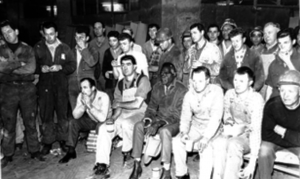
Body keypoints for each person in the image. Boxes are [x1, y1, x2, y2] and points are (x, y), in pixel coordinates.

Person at [93, 55, 151, 177]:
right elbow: (118, 106)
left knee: (127, 124)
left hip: (140, 113)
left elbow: (137, 104)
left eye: (128, 64)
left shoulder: (142, 80)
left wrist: (119, 103)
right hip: (124, 113)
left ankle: (128, 153)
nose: (125, 67)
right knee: (104, 127)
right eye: (123, 65)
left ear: (135, 66)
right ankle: (102, 163)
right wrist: (112, 118)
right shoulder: (120, 84)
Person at [129, 62, 188, 179]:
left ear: (174, 74)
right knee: (138, 126)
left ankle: (166, 171)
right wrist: (147, 120)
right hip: (158, 119)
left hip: (175, 122)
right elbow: (151, 107)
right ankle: (137, 164)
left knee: (164, 131)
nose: (163, 76)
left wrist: (159, 123)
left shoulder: (182, 89)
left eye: (166, 74)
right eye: (162, 74)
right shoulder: (157, 87)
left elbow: (179, 115)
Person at [0, 20, 44, 168]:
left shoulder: (27, 49)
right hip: (8, 90)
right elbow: (0, 68)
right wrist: (19, 64)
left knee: (30, 121)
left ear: (16, 31)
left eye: (9, 31)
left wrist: (8, 67)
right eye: (4, 33)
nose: (7, 35)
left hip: (27, 89)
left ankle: (34, 150)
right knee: (8, 123)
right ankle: (8, 154)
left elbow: (31, 69)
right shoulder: (1, 49)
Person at [172, 66, 224, 179]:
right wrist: (184, 132)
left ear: (207, 80)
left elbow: (216, 118)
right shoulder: (189, 95)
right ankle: (182, 174)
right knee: (177, 142)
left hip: (213, 127)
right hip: (196, 126)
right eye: (194, 81)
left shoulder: (216, 92)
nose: (196, 84)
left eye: (200, 81)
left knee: (205, 148)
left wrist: (206, 138)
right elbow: (185, 117)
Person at [213, 67, 264, 179]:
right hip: (233, 131)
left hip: (248, 136)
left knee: (233, 145)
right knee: (219, 142)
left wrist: (252, 163)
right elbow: (226, 113)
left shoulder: (256, 100)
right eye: (235, 80)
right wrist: (228, 120)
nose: (237, 84)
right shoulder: (229, 94)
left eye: (242, 81)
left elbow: (256, 132)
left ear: (250, 82)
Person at [34, 21, 76, 155]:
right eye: (46, 34)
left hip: (60, 85)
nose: (49, 37)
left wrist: (61, 68)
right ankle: (47, 141)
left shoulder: (65, 48)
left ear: (56, 34)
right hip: (45, 86)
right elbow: (32, 65)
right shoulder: (38, 47)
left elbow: (72, 65)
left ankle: (63, 140)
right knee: (46, 114)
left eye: (51, 34)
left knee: (62, 113)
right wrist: (40, 69)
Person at [256, 70, 300, 179]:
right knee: (264, 150)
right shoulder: (272, 105)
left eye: (290, 91)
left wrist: (282, 131)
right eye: (282, 90)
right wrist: (293, 136)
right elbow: (266, 136)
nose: (285, 95)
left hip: (296, 145)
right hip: (285, 142)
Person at [59, 78, 112, 163]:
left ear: (93, 88)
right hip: (92, 120)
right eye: (81, 88)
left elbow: (102, 118)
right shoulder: (81, 95)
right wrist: (83, 106)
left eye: (85, 87)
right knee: (73, 122)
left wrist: (89, 105)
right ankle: (71, 151)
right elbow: (75, 115)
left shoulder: (103, 96)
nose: (83, 90)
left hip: (105, 121)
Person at [68, 26, 98, 111]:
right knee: (76, 113)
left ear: (87, 38)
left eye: (81, 37)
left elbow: (91, 62)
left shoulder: (93, 50)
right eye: (76, 37)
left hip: (87, 88)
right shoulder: (71, 51)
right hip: (72, 87)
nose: (78, 40)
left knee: (90, 112)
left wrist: (84, 49)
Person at [265, 28, 300, 100]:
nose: (282, 46)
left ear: (293, 42)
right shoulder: (274, 64)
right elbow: (270, 87)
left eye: (285, 42)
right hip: (275, 102)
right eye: (279, 43)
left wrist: (288, 61)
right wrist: (266, 105)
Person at [102, 31, 122, 102]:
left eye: (114, 40)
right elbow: (104, 67)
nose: (112, 43)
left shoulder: (123, 51)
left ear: (119, 40)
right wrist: (105, 73)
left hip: (120, 83)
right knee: (109, 103)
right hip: (109, 83)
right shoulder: (107, 52)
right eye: (110, 41)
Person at [90, 21, 109, 91]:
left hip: (105, 76)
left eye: (99, 28)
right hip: (94, 75)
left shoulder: (109, 42)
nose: (97, 30)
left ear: (103, 29)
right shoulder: (91, 44)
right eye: (95, 28)